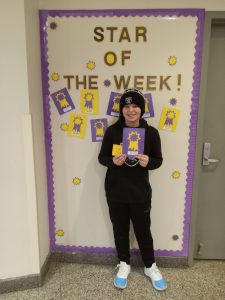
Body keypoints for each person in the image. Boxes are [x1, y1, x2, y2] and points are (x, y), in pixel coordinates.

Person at [98, 88, 167, 291]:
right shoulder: (112, 132)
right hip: (116, 191)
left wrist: (148, 162)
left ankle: (150, 265)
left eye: (135, 105)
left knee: (143, 231)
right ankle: (124, 263)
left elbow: (158, 160)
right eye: (126, 106)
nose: (131, 110)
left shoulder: (151, 133)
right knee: (120, 230)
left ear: (141, 109)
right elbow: (102, 158)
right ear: (122, 110)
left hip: (140, 193)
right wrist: (113, 161)